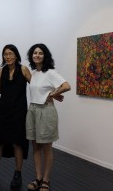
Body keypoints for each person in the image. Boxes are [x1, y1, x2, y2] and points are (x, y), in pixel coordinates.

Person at [26, 43, 71, 191]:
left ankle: (46, 180)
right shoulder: (34, 73)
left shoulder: (50, 72)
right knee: (36, 147)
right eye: (34, 53)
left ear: (45, 56)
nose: (37, 55)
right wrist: (52, 93)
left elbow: (66, 86)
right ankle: (38, 177)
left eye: (40, 53)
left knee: (46, 147)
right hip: (32, 109)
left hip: (46, 111)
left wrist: (51, 95)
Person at [0, 44, 31, 188]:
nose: (8, 56)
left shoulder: (23, 69)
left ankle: (17, 174)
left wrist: (49, 94)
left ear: (16, 55)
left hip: (19, 111)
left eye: (11, 53)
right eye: (5, 54)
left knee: (18, 142)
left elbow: (36, 85)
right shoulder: (0, 71)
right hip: (4, 111)